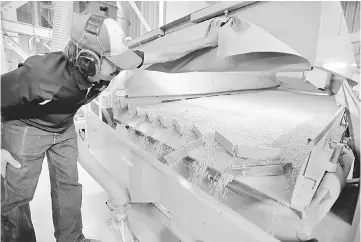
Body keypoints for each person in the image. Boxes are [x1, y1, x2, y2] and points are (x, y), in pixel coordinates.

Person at [1, 13, 228, 242]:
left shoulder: (108, 67)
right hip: (26, 124)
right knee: (16, 193)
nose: (121, 69)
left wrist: (206, 40)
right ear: (87, 61)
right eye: (115, 63)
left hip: (63, 126)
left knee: (67, 186)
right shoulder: (40, 75)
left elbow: (160, 54)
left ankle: (72, 239)